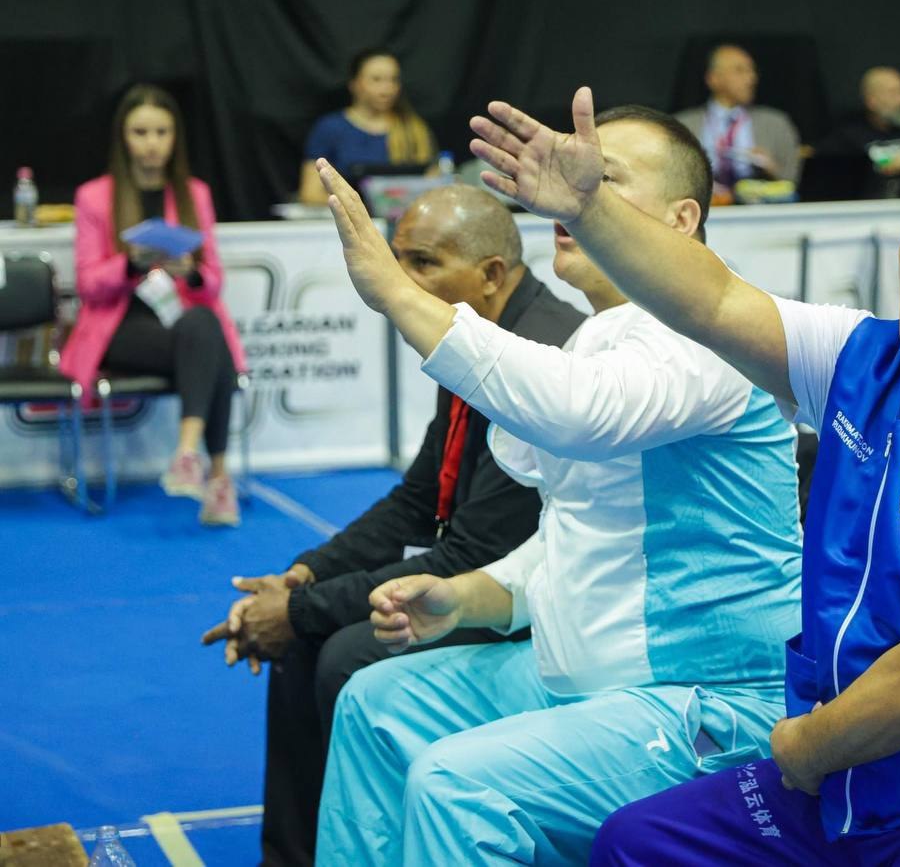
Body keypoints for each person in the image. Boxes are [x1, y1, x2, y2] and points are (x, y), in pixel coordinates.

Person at [470, 88, 900, 865]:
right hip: (848, 780)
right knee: (637, 843)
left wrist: (804, 747)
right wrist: (589, 210)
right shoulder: (862, 358)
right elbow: (713, 299)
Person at [313, 104, 803, 865]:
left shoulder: (714, 331)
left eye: (602, 180)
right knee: (377, 705)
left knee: (459, 786)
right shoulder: (601, 333)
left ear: (681, 220)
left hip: (701, 699)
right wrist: (470, 596)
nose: (570, 197)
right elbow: (575, 528)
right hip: (585, 677)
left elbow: (574, 412)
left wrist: (397, 291)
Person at [199, 186, 583, 867]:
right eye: (397, 258)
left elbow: (472, 555)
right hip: (483, 574)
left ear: (491, 273)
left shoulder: (535, 353)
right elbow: (416, 502)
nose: (397, 281)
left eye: (422, 262)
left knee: (343, 652)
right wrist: (304, 576)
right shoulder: (470, 334)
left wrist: (300, 610)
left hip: (532, 601)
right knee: (305, 639)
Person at [60, 84, 247, 526]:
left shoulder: (194, 193)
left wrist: (191, 272)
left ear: (175, 137)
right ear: (123, 137)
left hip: (180, 323)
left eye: (162, 132)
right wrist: (130, 263)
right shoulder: (94, 196)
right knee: (211, 345)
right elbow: (88, 285)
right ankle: (217, 477)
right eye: (140, 132)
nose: (152, 144)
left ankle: (188, 454)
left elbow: (213, 281)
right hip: (119, 327)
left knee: (204, 326)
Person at [297, 48, 436, 205]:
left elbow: (433, 185)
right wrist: (359, 207)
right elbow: (310, 193)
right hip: (352, 215)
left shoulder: (414, 129)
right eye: (376, 79)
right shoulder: (330, 128)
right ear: (354, 83)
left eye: (393, 80)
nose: (387, 89)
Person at [675, 45, 801, 198]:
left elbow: (792, 181)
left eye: (752, 71)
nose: (751, 78)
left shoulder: (776, 123)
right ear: (713, 79)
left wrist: (771, 168)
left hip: (761, 206)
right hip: (705, 205)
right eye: (739, 70)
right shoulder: (682, 125)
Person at [813, 67, 900, 199]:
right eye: (894, 93)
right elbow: (827, 175)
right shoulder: (848, 137)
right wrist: (883, 168)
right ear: (871, 101)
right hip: (871, 206)